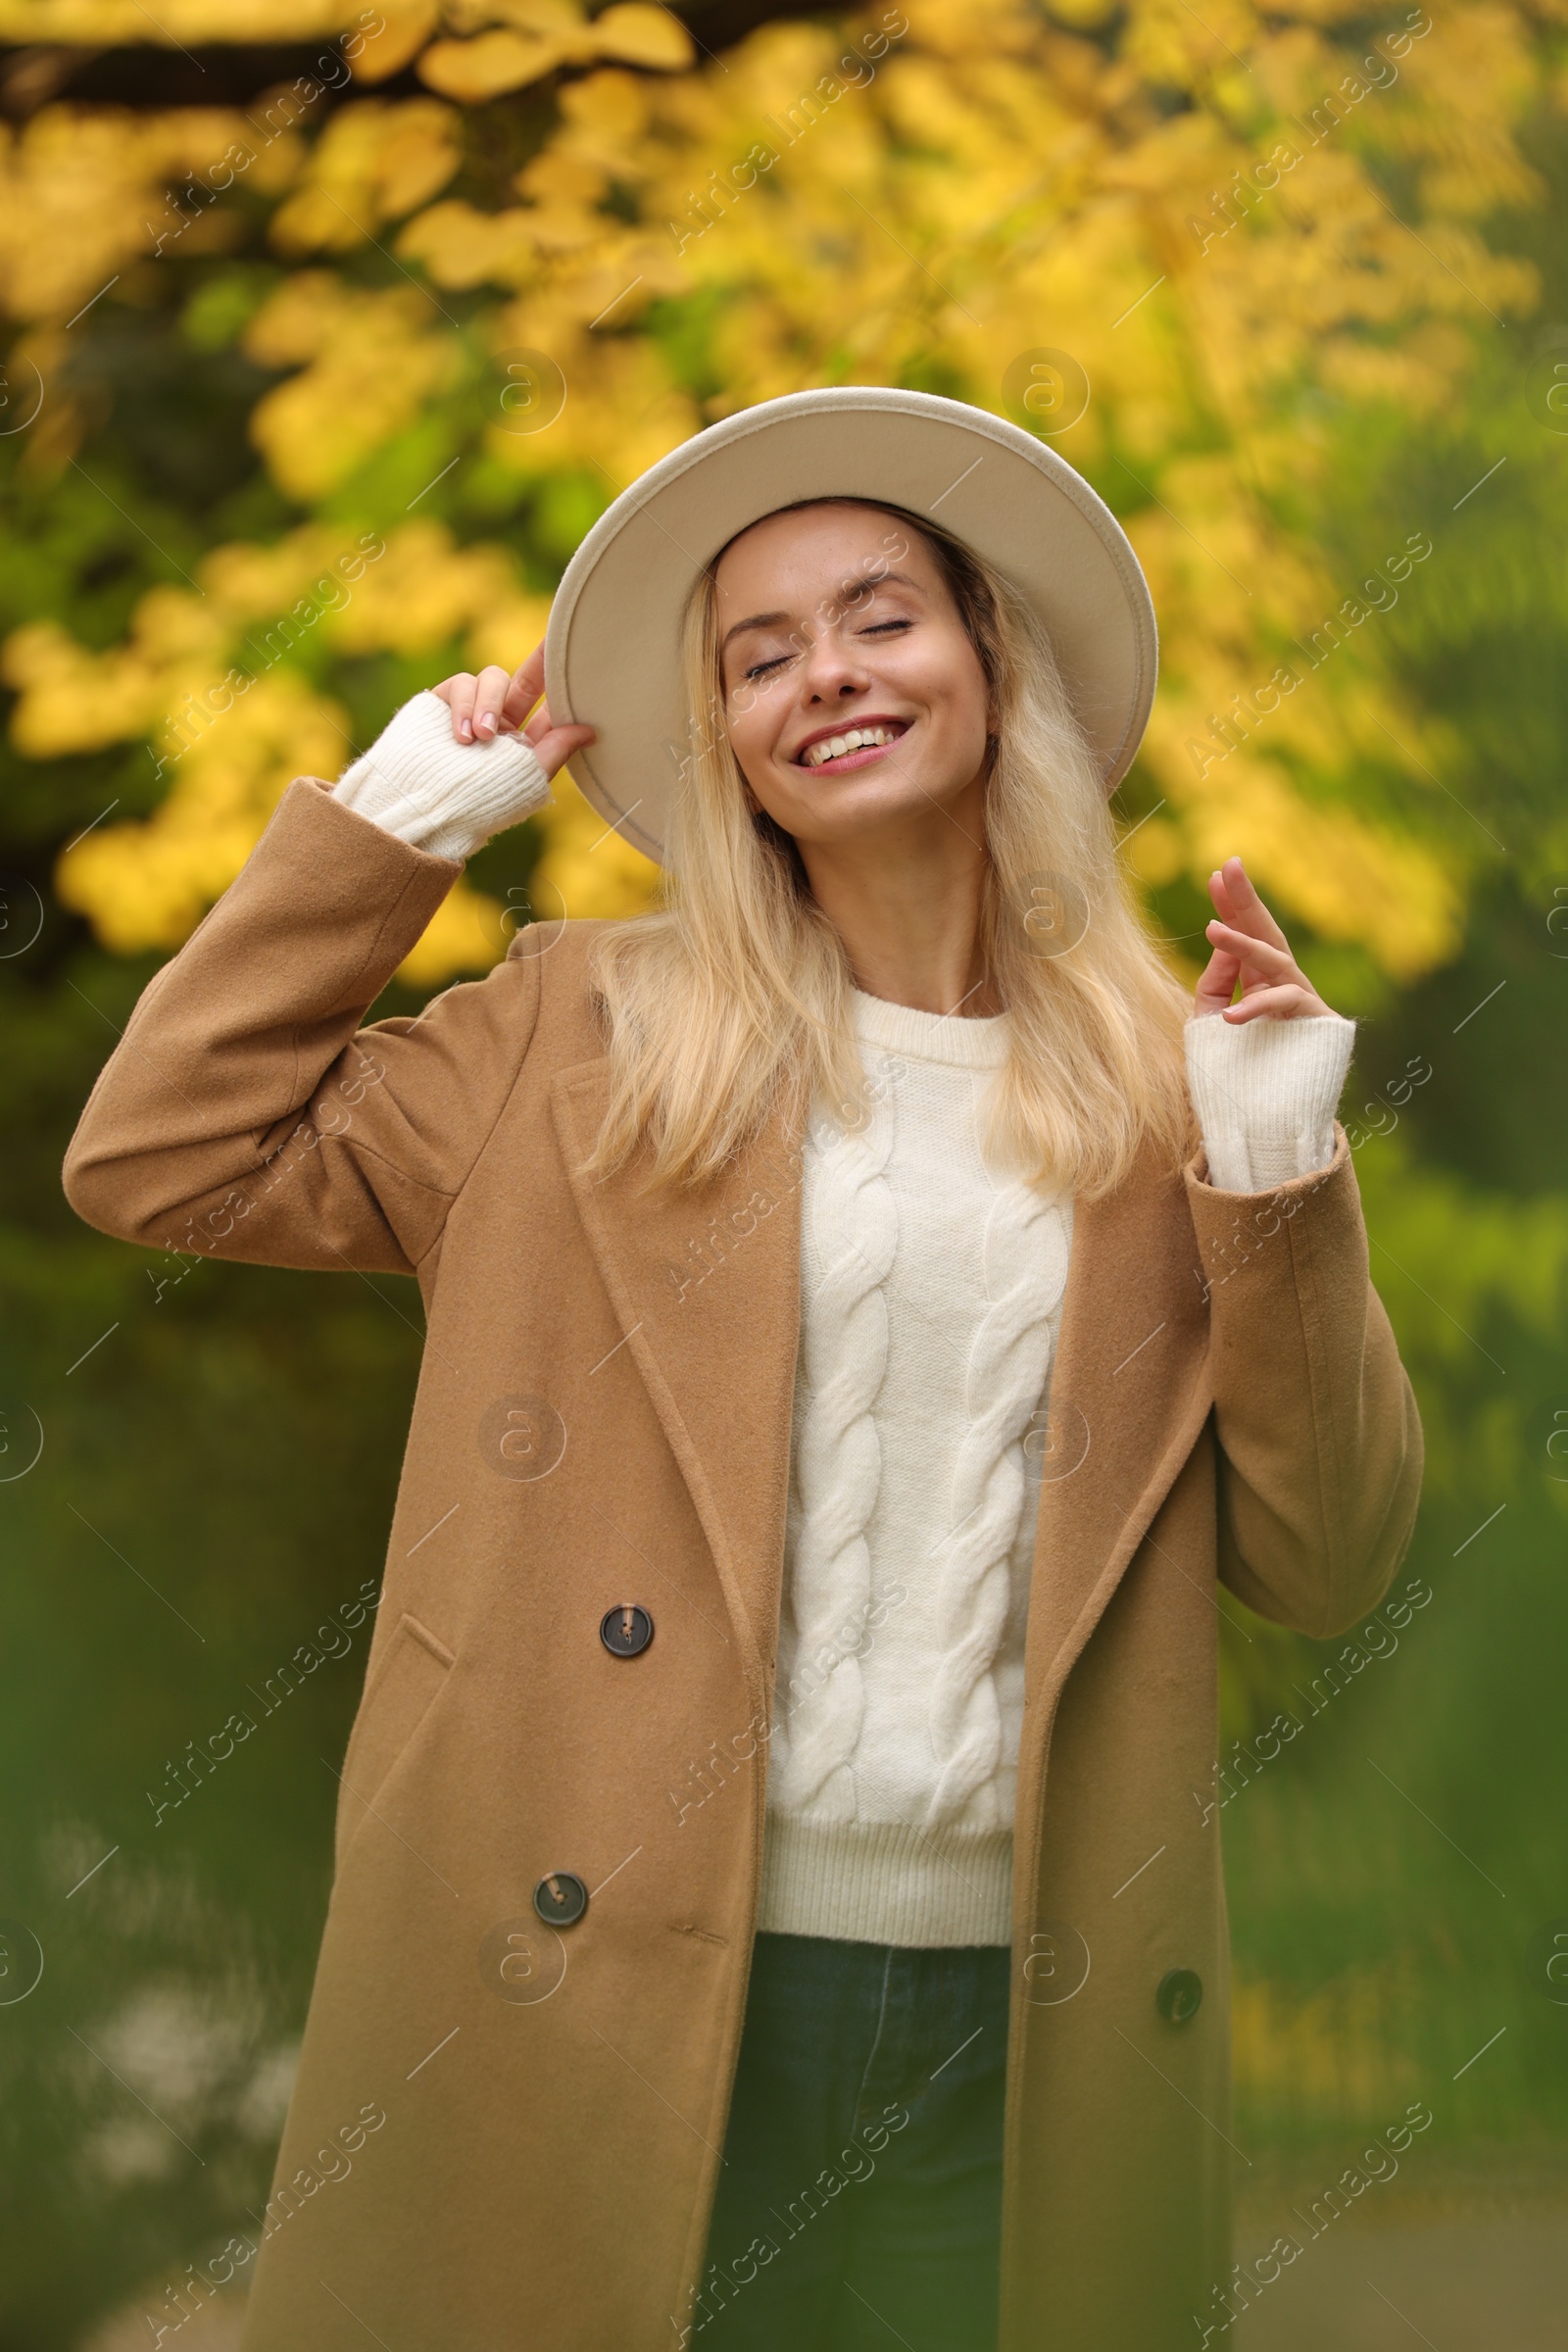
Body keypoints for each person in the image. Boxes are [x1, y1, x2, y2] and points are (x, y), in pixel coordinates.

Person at [63, 387, 1422, 2352]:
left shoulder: (1166, 1099)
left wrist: (1278, 1165)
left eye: (879, 615)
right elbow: (159, 1154)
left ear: (983, 664)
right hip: (600, 2001)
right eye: (756, 655)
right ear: (720, 745)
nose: (827, 677)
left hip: (1014, 2040)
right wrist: (392, 829)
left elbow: (1328, 1560)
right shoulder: (574, 1034)